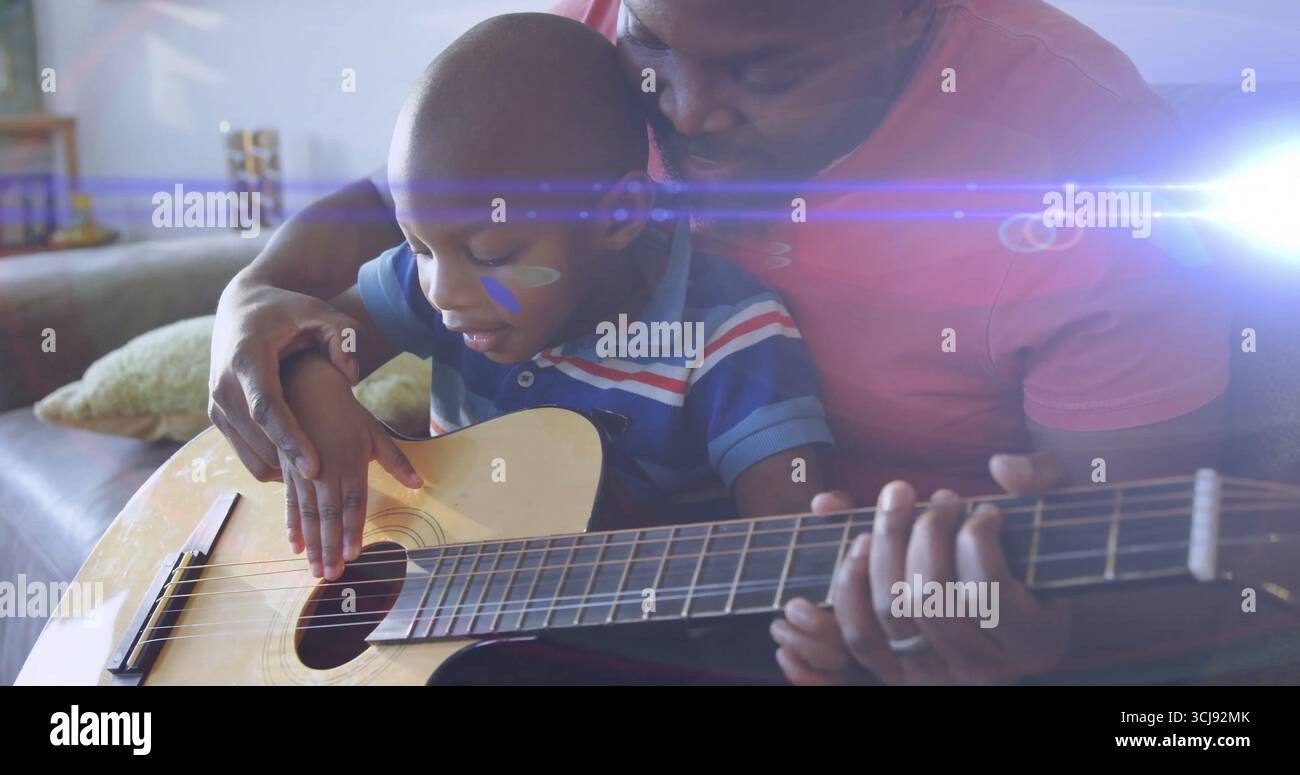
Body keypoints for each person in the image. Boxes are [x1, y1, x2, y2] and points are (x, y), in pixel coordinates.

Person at [209, 1, 1234, 683]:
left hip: (777, 595)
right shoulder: (595, 39)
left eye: (764, 69)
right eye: (649, 49)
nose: (680, 113)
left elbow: (1151, 572)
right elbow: (419, 195)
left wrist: (1042, 640)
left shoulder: (1096, 163)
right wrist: (256, 301)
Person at [267, 13, 832, 581]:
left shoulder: (731, 336)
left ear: (617, 217)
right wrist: (315, 384)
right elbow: (307, 344)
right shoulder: (445, 279)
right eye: (418, 246)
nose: (442, 292)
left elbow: (794, 548)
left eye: (491, 257)